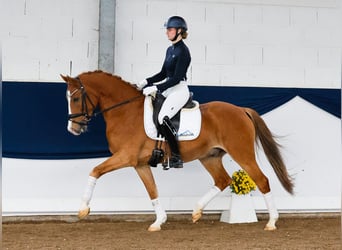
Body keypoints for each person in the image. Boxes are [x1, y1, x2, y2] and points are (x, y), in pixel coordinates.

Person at [137, 16, 191, 168]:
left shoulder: (183, 52)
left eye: (170, 29)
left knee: (162, 117)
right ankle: (159, 150)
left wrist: (157, 88)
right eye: (167, 29)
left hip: (179, 89)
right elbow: (162, 73)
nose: (167, 32)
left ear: (180, 31)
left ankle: (176, 156)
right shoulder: (170, 49)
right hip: (169, 88)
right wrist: (146, 81)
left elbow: (176, 78)